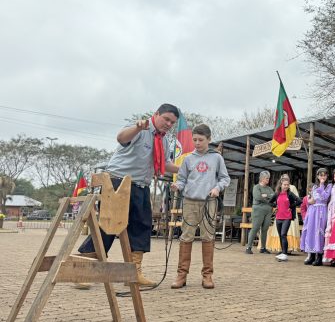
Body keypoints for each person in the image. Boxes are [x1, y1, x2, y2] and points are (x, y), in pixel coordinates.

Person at [77, 104, 180, 288]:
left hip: (141, 186)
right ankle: (85, 271)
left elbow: (165, 164)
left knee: (142, 227)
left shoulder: (163, 140)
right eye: (166, 119)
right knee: (108, 226)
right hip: (117, 182)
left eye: (172, 122)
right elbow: (121, 137)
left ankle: (133, 272)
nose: (168, 124)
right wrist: (138, 127)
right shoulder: (140, 128)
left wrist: (186, 169)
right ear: (156, 114)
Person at [170, 124, 230, 289]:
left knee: (208, 237)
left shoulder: (217, 158)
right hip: (190, 201)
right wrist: (177, 186)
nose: (197, 142)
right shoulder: (188, 159)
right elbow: (182, 179)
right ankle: (181, 275)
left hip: (209, 202)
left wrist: (217, 188)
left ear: (209, 140)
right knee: (186, 236)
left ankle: (207, 275)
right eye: (194, 139)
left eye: (200, 140)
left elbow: (225, 178)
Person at [301, 168, 332, 266]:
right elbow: (311, 199)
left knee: (319, 232)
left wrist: (322, 185)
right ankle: (312, 254)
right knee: (311, 231)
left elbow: (324, 197)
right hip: (312, 210)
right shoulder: (314, 186)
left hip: (321, 210)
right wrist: (311, 200)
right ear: (317, 176)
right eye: (320, 175)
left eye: (324, 175)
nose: (322, 177)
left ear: (327, 176)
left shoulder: (329, 186)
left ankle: (319, 256)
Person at [269, 176, 302, 262]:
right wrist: (275, 206)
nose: (286, 186)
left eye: (287, 185)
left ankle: (284, 254)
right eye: (284, 185)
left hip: (287, 217)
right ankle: (282, 253)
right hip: (278, 217)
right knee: (280, 235)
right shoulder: (277, 194)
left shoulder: (290, 194)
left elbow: (299, 201)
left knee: (283, 234)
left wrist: (291, 206)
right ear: (281, 185)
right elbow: (270, 202)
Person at [246, 171, 274, 255]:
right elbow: (258, 197)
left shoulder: (269, 188)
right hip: (258, 210)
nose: (268, 180)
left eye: (268, 178)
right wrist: (268, 197)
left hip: (268, 211)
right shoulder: (256, 187)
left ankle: (263, 248)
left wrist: (266, 195)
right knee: (255, 228)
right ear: (261, 178)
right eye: (267, 178)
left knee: (265, 229)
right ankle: (249, 247)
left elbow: (273, 196)